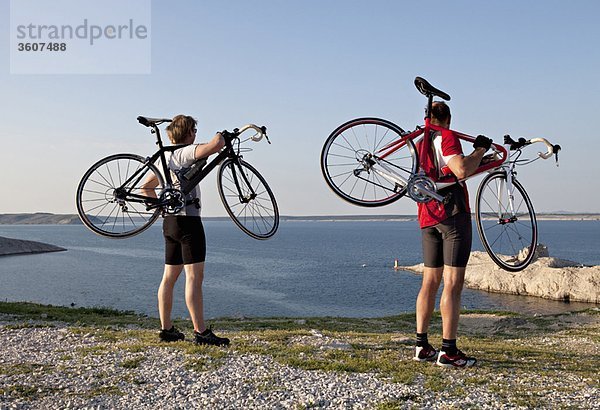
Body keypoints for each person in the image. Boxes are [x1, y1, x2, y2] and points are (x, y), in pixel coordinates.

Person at [413, 101, 492, 368]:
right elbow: (460, 169)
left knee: (429, 282)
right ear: (448, 118)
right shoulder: (446, 137)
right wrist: (480, 149)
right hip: (452, 214)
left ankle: (421, 345)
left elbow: (443, 171)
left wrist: (479, 159)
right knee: (453, 284)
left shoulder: (420, 142)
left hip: (427, 215)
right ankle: (449, 351)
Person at [142, 114, 229, 346]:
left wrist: (159, 208)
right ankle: (200, 332)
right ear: (188, 133)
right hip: (189, 222)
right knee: (194, 277)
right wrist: (222, 134)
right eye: (194, 131)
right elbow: (216, 145)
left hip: (170, 223)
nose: (195, 135)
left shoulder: (166, 158)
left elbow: (146, 187)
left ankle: (166, 329)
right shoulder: (183, 152)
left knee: (168, 278)